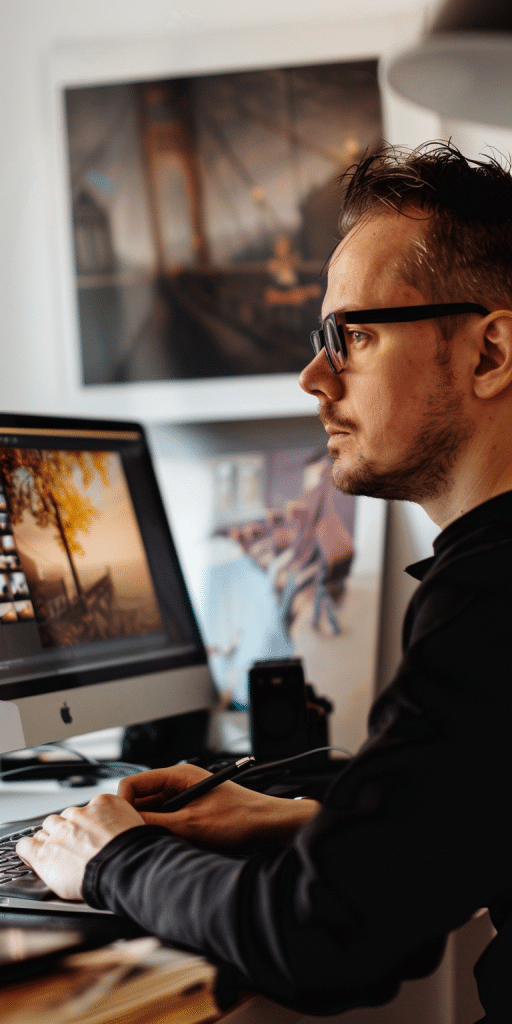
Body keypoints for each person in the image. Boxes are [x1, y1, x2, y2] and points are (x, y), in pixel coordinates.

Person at [17, 142, 512, 1022]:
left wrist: (112, 859)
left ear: (490, 351)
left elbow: (324, 938)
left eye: (351, 335)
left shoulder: (491, 598)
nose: (314, 376)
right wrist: (297, 812)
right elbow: (471, 811)